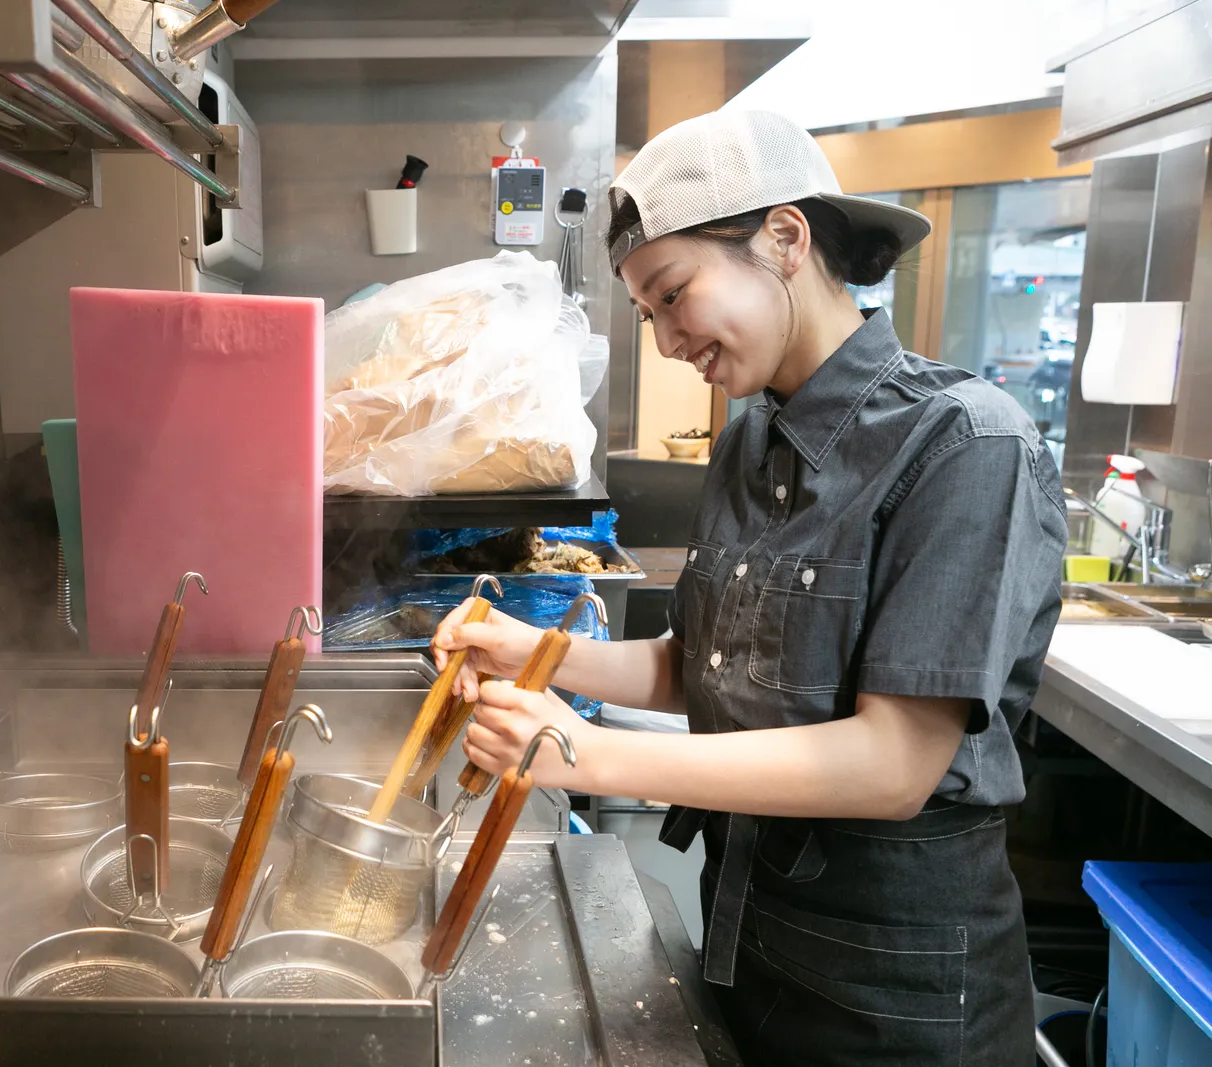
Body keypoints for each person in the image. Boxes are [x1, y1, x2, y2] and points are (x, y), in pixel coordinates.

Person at [434, 110, 1065, 1066]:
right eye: (648, 313)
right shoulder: (749, 440)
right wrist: (537, 654)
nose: (666, 340)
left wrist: (587, 753)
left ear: (784, 238)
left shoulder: (965, 442)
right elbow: (703, 668)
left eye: (674, 294)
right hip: (752, 951)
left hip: (897, 1002)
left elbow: (894, 765)